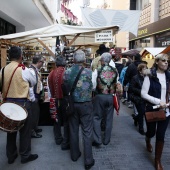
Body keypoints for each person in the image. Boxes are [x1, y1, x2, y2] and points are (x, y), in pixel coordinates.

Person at [0, 46, 38, 164]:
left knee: (11, 131)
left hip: (8, 104)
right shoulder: (23, 69)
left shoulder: (2, 70)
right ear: (21, 56)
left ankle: (11, 156)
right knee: (25, 131)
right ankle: (25, 155)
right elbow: (33, 82)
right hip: (22, 104)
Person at [63, 50, 95, 169]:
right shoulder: (90, 72)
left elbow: (65, 86)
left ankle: (74, 155)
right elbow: (94, 87)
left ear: (74, 59)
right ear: (84, 60)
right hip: (86, 104)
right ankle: (88, 160)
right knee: (87, 132)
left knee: (73, 129)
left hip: (72, 104)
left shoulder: (67, 72)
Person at [141, 53, 170, 170]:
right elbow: (143, 94)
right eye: (163, 61)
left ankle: (157, 160)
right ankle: (148, 139)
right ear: (157, 62)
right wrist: (158, 101)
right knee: (152, 132)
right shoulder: (150, 75)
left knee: (161, 134)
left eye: (167, 61)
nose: (166, 63)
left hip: (166, 110)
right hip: (152, 109)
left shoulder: (169, 76)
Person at [92, 52, 118, 146]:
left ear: (102, 60)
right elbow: (117, 82)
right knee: (109, 119)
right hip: (111, 96)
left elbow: (93, 86)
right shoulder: (115, 70)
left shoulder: (97, 70)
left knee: (96, 117)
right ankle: (106, 140)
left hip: (99, 96)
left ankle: (98, 139)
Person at [48, 56, 69, 150]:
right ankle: (66, 140)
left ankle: (58, 138)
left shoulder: (51, 73)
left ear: (56, 63)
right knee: (66, 120)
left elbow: (49, 89)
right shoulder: (66, 72)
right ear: (64, 63)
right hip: (64, 100)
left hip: (54, 99)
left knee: (56, 120)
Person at [129, 63, 147, 135]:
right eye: (144, 68)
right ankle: (141, 128)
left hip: (145, 97)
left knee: (142, 112)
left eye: (146, 68)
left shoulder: (147, 77)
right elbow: (131, 88)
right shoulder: (135, 78)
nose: (146, 70)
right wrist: (141, 92)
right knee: (142, 112)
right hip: (138, 97)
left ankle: (136, 118)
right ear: (140, 70)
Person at [29, 55, 44, 138]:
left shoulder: (35, 70)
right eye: (42, 62)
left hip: (36, 95)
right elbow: (30, 86)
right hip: (33, 96)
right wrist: (33, 98)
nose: (42, 63)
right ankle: (32, 131)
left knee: (36, 113)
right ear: (38, 62)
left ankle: (34, 128)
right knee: (33, 114)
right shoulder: (31, 70)